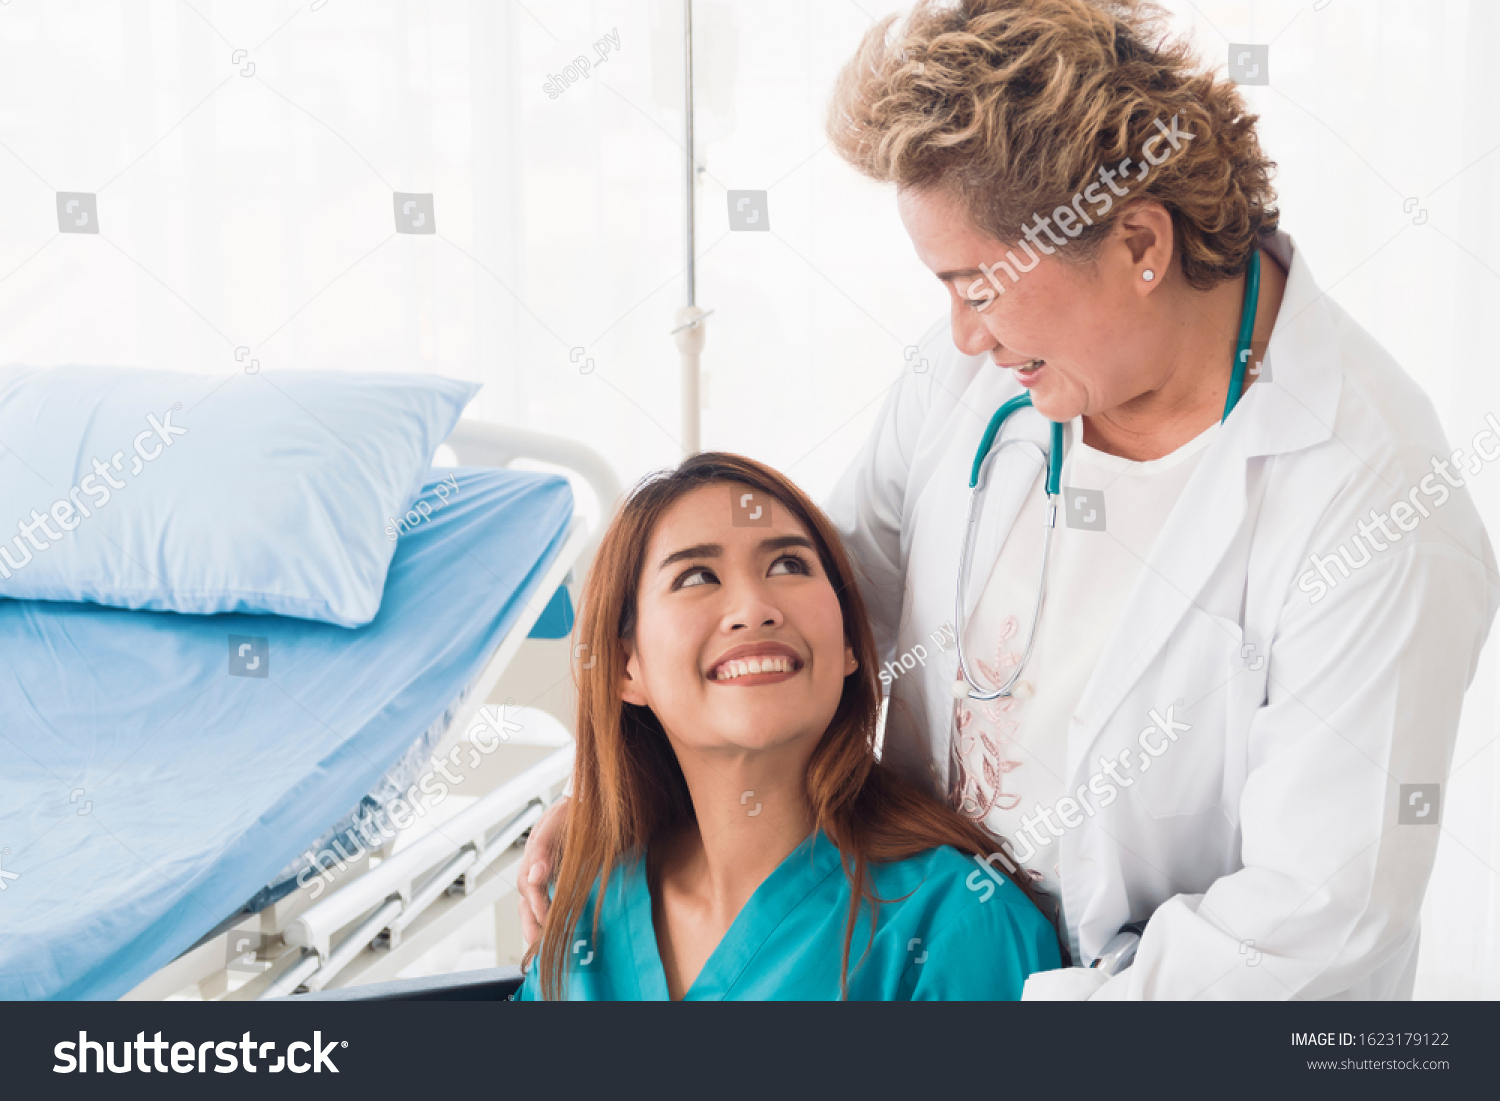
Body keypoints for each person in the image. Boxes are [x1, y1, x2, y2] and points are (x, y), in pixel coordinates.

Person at [523, 0, 1499, 1000]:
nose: (963, 336)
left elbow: (1312, 936)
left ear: (1138, 246)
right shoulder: (994, 373)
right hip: (911, 947)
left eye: (979, 286)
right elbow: (827, 597)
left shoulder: (1378, 509)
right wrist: (626, 774)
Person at [512, 452, 1060, 1000]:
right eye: (696, 576)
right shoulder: (584, 910)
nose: (754, 608)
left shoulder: (957, 924)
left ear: (849, 642)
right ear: (625, 668)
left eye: (788, 566)